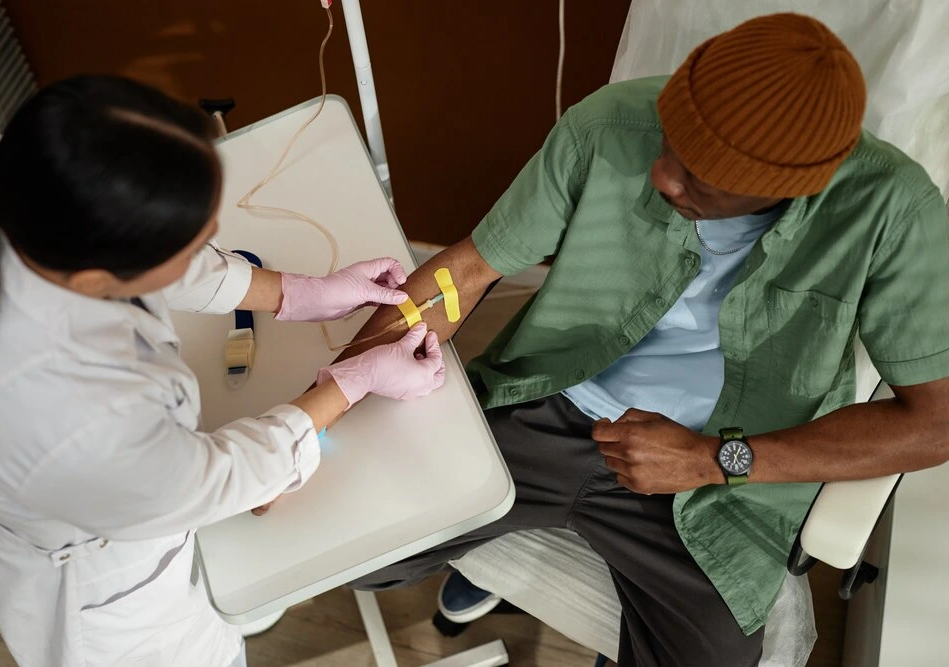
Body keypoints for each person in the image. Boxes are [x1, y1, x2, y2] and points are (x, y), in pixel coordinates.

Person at [343, 13, 949, 667]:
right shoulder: (608, 124)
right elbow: (465, 271)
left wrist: (720, 459)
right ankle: (491, 551)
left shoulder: (895, 213)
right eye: (668, 142)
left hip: (714, 480)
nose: (662, 176)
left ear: (789, 189)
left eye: (698, 179)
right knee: (338, 543)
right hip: (548, 406)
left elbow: (935, 424)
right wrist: (329, 397)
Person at [0, 75, 445, 667]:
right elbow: (216, 478)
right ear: (97, 280)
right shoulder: (72, 420)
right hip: (104, 593)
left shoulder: (13, 172)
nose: (207, 246)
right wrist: (352, 382)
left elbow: (163, 254)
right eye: (190, 243)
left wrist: (300, 293)